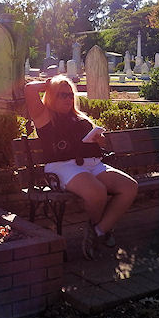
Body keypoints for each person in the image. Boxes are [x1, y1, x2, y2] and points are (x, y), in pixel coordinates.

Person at [25, 75, 138, 260]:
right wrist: (50, 83)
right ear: (51, 95)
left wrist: (100, 140)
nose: (68, 99)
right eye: (62, 95)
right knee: (97, 191)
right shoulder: (44, 115)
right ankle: (100, 230)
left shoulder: (79, 117)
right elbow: (29, 89)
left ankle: (99, 230)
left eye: (70, 95)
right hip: (63, 167)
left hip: (92, 164)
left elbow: (101, 143)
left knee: (129, 187)